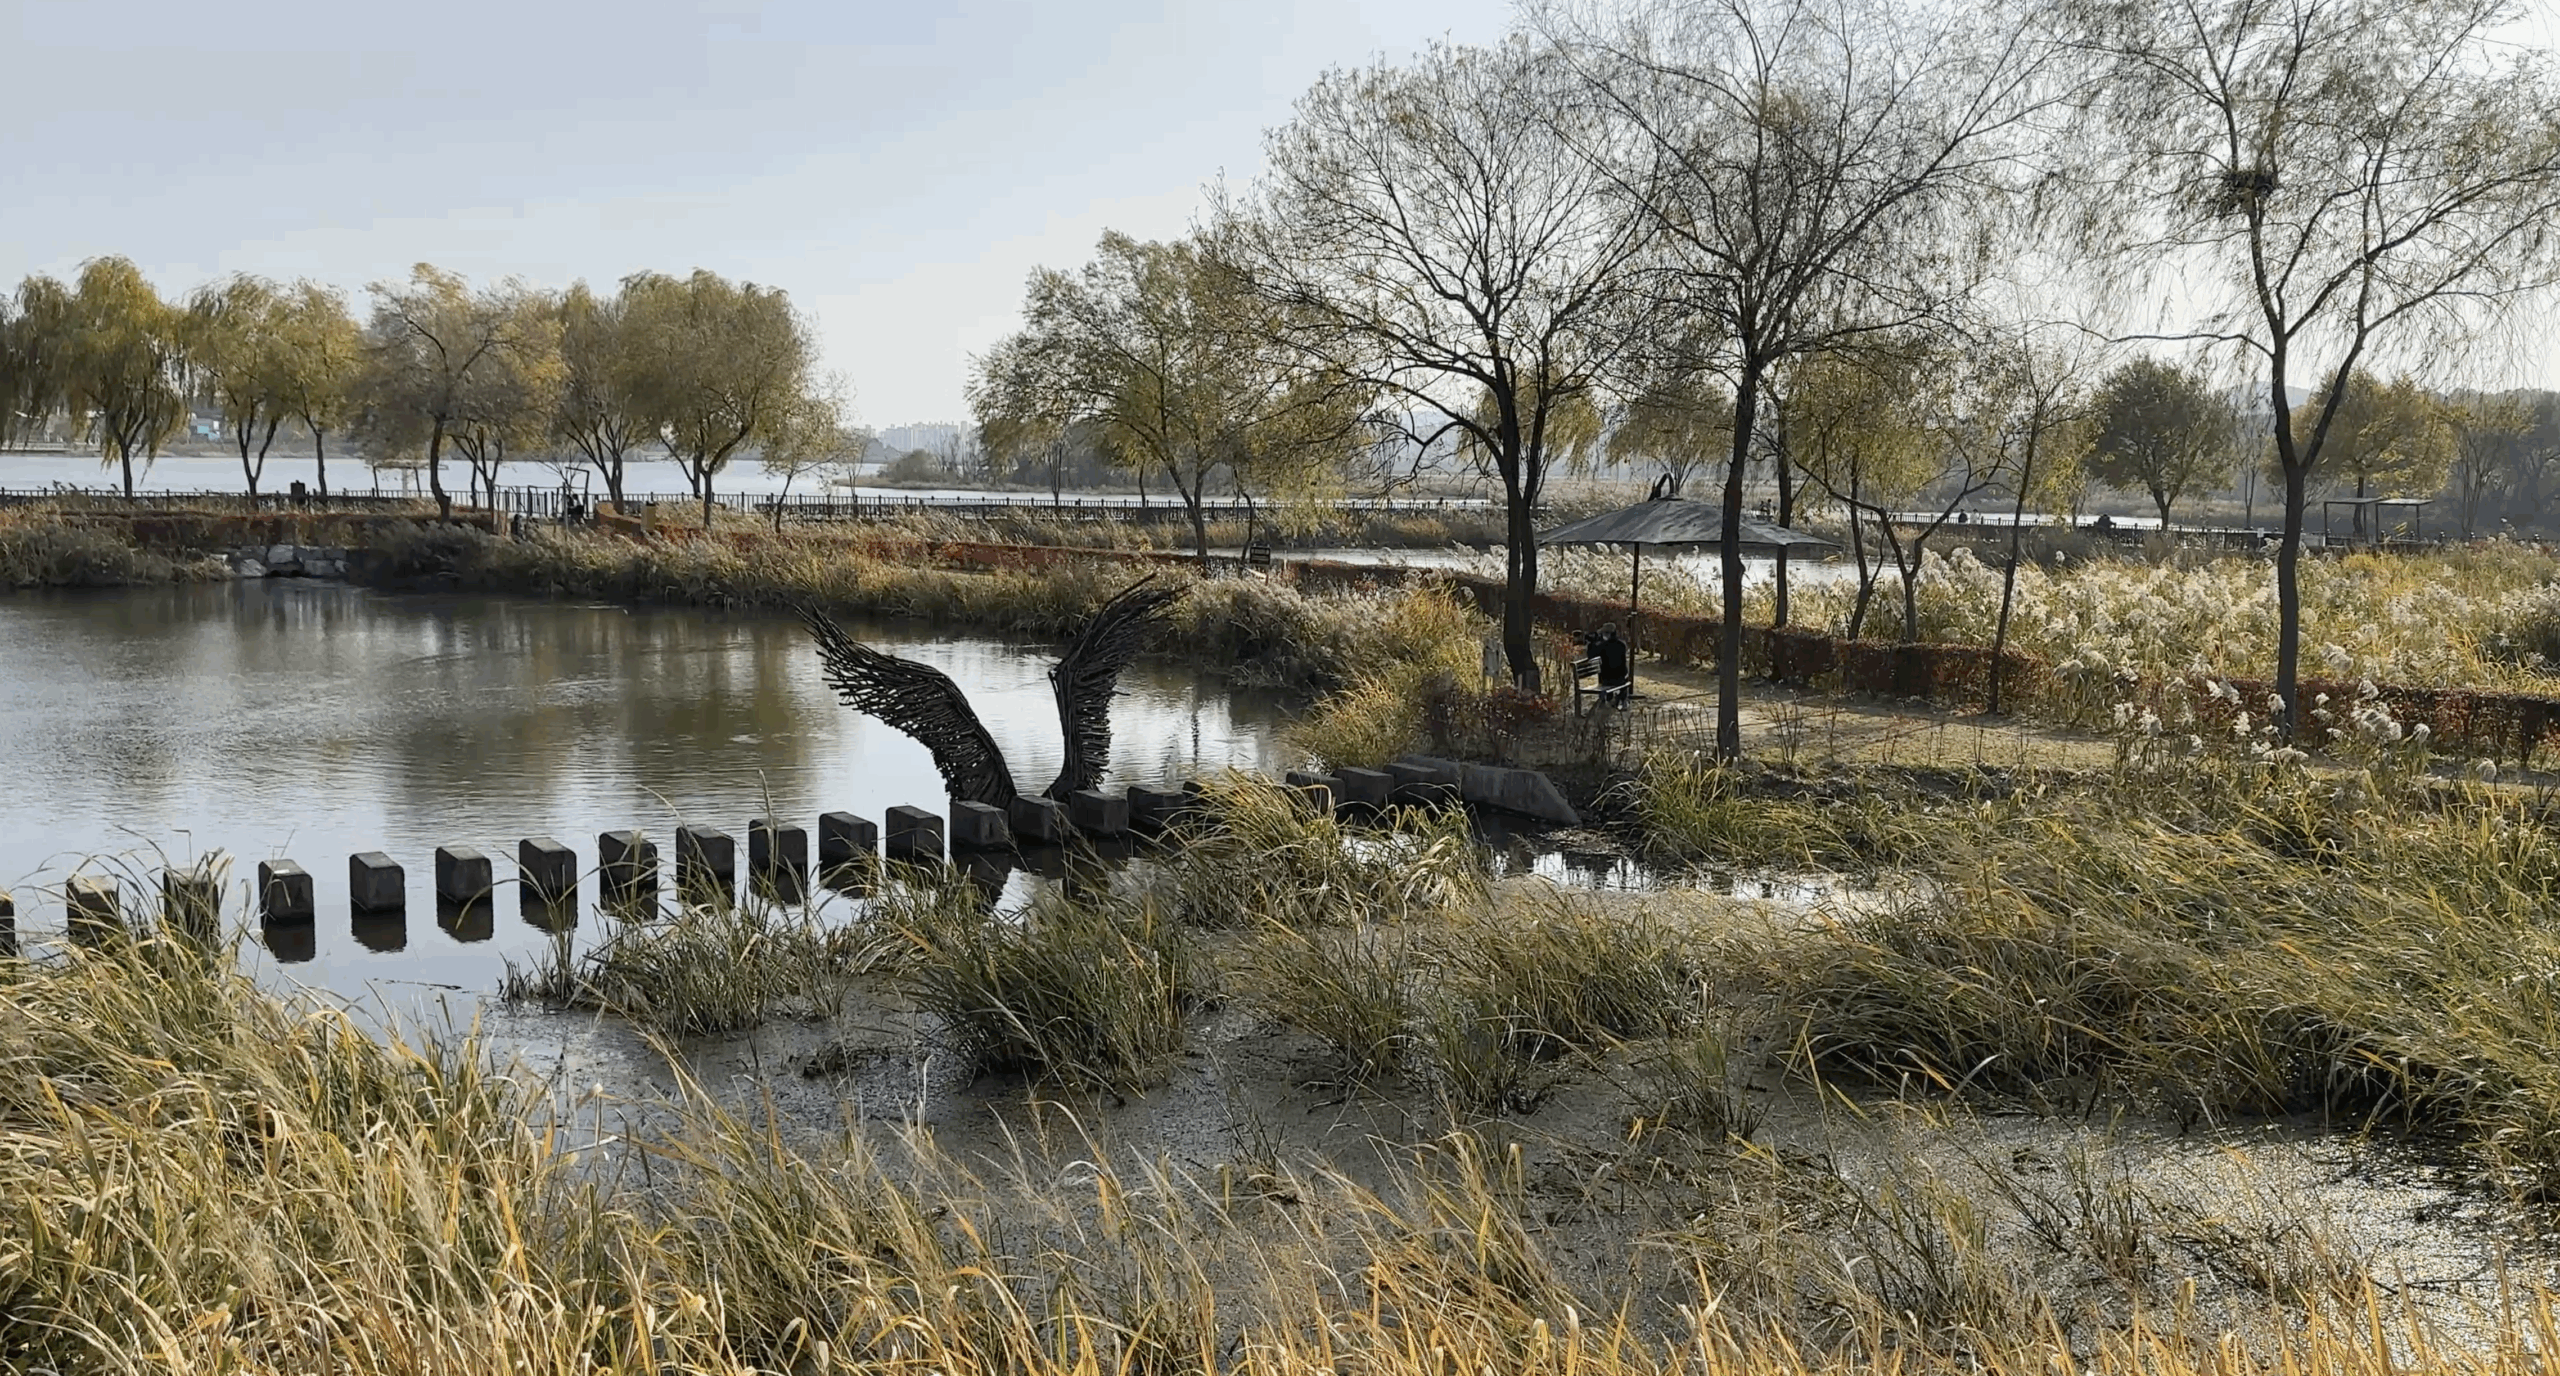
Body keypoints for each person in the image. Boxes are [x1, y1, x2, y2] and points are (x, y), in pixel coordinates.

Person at [1583, 621, 1632, 701]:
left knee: (1608, 672)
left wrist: (1591, 644)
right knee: (1615, 673)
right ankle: (1620, 700)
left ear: (1607, 634)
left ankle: (1611, 699)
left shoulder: (1603, 646)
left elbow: (1591, 656)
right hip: (1621, 677)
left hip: (1608, 680)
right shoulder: (1622, 645)